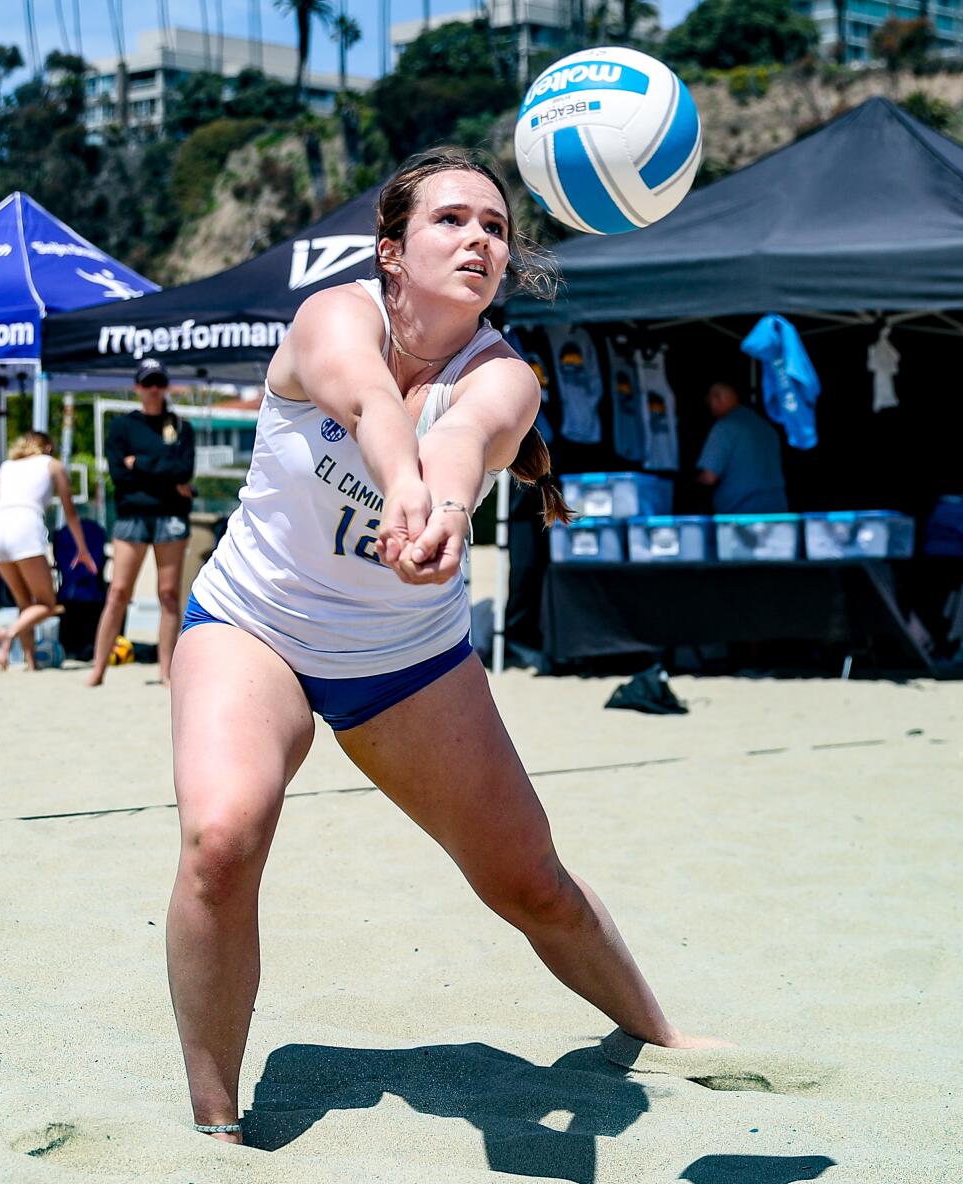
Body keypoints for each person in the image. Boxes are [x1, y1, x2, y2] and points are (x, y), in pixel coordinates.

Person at [166, 148, 727, 1145]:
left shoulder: (506, 372)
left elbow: (469, 436)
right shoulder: (336, 317)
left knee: (531, 882)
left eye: (496, 228)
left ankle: (661, 1033)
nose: (478, 239)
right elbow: (371, 402)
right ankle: (216, 1124)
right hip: (254, 624)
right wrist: (407, 487)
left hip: (406, 657)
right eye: (452, 220)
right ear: (392, 250)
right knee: (222, 839)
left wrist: (450, 502)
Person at [87, 358, 195, 688]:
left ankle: (165, 671)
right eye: (147, 383)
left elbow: (184, 472)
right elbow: (119, 475)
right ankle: (98, 669)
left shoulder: (180, 426)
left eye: (159, 382)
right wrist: (163, 472)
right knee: (118, 591)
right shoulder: (122, 427)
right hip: (133, 514)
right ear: (137, 387)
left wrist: (141, 464)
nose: (153, 389)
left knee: (167, 594)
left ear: (165, 386)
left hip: (169, 516)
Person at [0, 431, 97, 670]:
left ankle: (30, 660)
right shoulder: (52, 465)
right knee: (47, 604)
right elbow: (70, 512)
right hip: (25, 526)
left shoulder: (6, 467)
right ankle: (9, 633)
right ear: (47, 447)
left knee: (25, 603)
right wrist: (83, 548)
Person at [695, 382, 788, 513]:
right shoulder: (766, 426)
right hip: (778, 511)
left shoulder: (724, 427)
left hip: (741, 516)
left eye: (709, 401)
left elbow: (709, 477)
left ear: (716, 398)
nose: (710, 407)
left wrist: (689, 485)